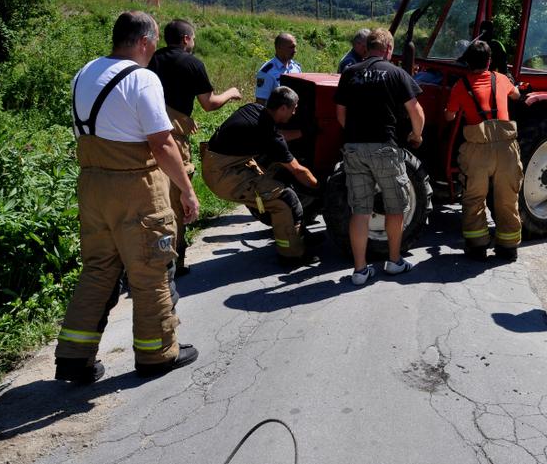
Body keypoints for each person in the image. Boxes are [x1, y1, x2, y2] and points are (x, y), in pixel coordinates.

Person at [55, 11, 200, 383]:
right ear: (144, 41)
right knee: (151, 269)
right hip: (135, 188)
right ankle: (157, 353)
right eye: (151, 45)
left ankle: (73, 357)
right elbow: (162, 142)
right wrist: (186, 189)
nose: (152, 51)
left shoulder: (85, 72)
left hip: (92, 187)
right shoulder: (142, 78)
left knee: (99, 268)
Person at [148, 19, 242, 276]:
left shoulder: (150, 60)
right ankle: (174, 262)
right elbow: (209, 103)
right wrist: (231, 93)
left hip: (144, 138)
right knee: (178, 200)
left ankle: (148, 257)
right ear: (187, 39)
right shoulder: (192, 64)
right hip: (174, 140)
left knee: (150, 198)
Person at [335, 28, 424, 285]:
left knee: (360, 210)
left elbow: (341, 113)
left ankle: (360, 270)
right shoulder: (396, 73)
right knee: (396, 207)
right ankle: (394, 261)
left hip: (354, 148)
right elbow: (415, 111)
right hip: (384, 148)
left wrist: (354, 137)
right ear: (388, 49)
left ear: (366, 47)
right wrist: (417, 135)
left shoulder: (350, 72)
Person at [201, 86, 320, 268]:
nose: (295, 112)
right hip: (224, 175)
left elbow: (278, 136)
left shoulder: (253, 109)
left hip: (221, 163)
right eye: (294, 108)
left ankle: (295, 232)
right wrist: (320, 189)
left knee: (276, 172)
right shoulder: (268, 133)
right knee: (286, 200)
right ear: (282, 109)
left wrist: (305, 133)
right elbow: (298, 170)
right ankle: (291, 255)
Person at [445, 40, 523, 261]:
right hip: (507, 148)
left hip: (478, 150)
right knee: (507, 198)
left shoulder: (461, 86)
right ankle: (508, 248)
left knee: (474, 198)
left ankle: (477, 247)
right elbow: (517, 95)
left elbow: (449, 117)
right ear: (489, 61)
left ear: (467, 63)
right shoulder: (501, 79)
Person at [256, 33, 302, 104]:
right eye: (291, 47)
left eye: (295, 47)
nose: (295, 50)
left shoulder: (296, 68)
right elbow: (260, 102)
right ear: (279, 48)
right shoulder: (267, 72)